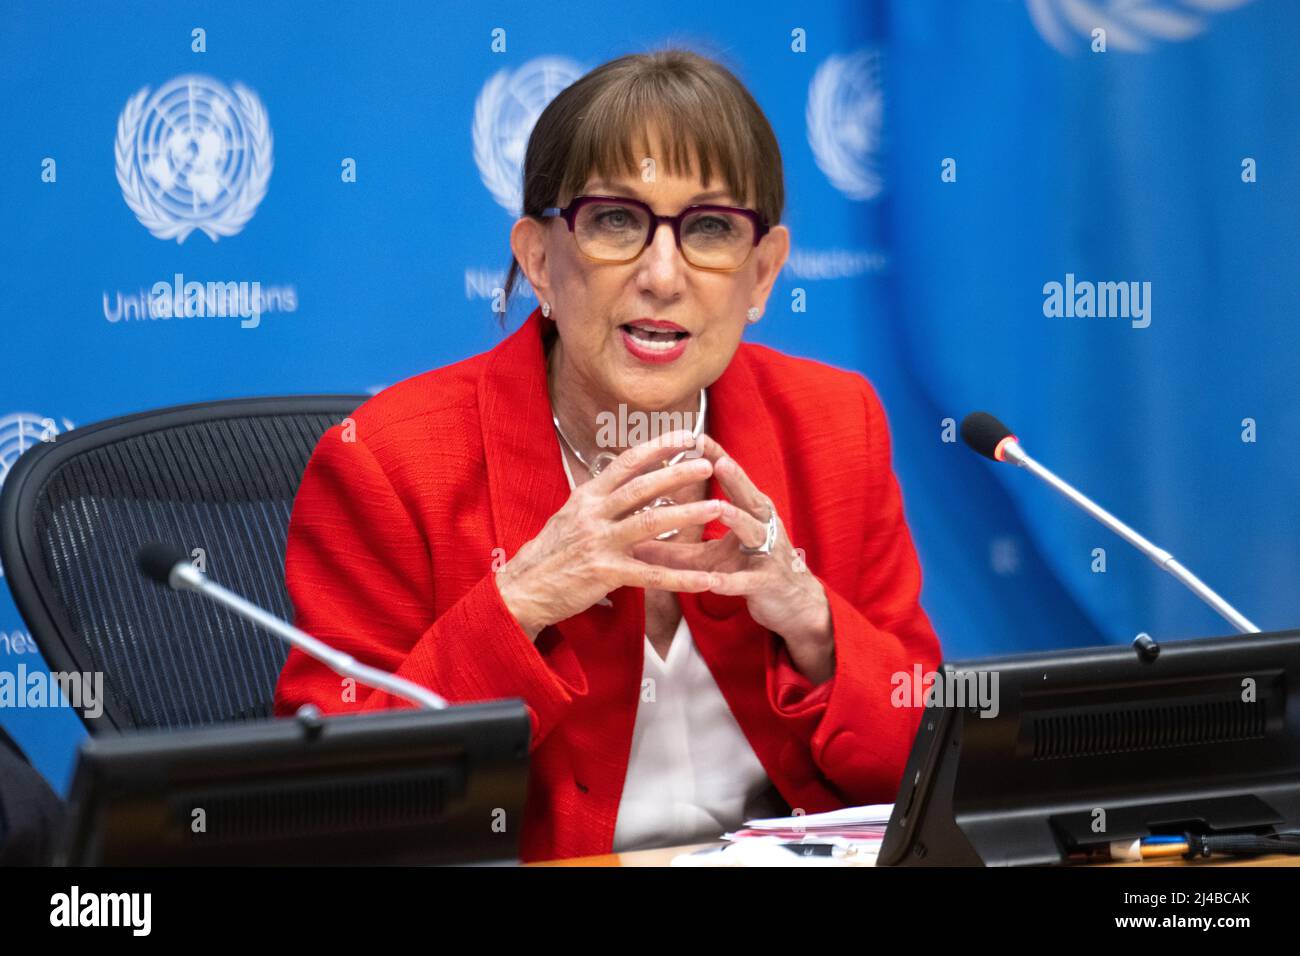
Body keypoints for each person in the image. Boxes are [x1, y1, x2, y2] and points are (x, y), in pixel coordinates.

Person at [274, 48, 941, 863]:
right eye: (616, 221)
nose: (663, 276)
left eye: (710, 230)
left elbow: (926, 765)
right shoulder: (391, 462)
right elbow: (326, 814)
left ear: (762, 276)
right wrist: (520, 599)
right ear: (538, 260)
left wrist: (813, 622)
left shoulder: (835, 426)